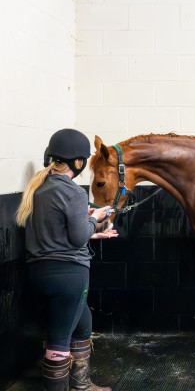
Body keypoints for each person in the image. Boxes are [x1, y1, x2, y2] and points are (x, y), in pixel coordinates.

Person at [16, 128, 118, 391]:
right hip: (69, 276)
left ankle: (81, 386)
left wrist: (94, 234)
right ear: (79, 162)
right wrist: (94, 219)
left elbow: (57, 234)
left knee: (83, 323)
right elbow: (76, 238)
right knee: (59, 342)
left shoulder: (38, 188)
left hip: (40, 274)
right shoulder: (74, 192)